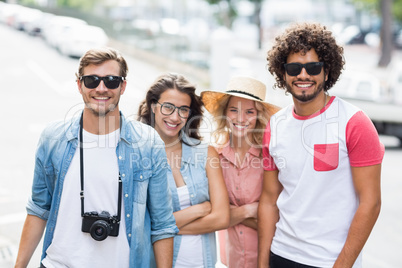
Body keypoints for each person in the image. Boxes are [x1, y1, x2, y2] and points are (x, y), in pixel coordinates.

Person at [14, 47, 178, 268]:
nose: (101, 88)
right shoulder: (53, 138)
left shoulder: (148, 144)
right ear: (80, 85)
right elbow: (38, 209)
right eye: (92, 80)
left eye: (111, 80)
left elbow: (163, 225)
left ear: (123, 86)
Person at [258, 22, 385, 268]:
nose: (303, 75)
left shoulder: (354, 122)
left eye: (313, 67)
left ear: (327, 72)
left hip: (330, 261)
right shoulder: (275, 125)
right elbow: (269, 199)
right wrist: (263, 263)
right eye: (294, 67)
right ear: (282, 73)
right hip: (281, 253)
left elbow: (371, 203)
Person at [137, 73, 230, 268]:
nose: (175, 117)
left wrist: (161, 226)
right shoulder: (137, 155)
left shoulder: (206, 153)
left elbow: (222, 218)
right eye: (168, 107)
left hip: (202, 262)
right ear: (154, 106)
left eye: (183, 110)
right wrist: (200, 209)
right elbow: (140, 225)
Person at [200, 76, 280, 268]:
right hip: (230, 261)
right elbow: (213, 215)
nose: (240, 118)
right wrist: (250, 210)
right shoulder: (215, 157)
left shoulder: (272, 157)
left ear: (259, 115)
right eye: (233, 110)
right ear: (225, 113)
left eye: (249, 112)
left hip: (267, 260)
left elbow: (278, 219)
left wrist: (229, 214)